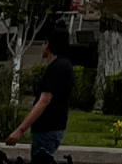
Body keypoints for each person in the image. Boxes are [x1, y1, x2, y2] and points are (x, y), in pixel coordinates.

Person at [5, 21, 76, 162]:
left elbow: (44, 100)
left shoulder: (57, 68)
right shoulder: (63, 65)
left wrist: (20, 130)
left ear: (49, 45)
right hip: (53, 126)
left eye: (45, 43)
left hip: (47, 128)